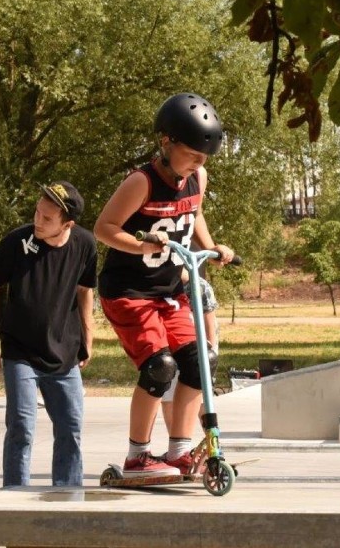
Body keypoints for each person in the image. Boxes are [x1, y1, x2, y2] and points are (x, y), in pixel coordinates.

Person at [94, 92, 234, 477]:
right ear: (167, 142)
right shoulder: (141, 182)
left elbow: (194, 213)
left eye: (204, 160)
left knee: (199, 361)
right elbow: (104, 229)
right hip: (129, 292)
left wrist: (211, 247)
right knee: (160, 367)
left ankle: (178, 451)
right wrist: (141, 244)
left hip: (170, 291)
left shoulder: (197, 178)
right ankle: (137, 456)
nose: (198, 165)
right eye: (192, 156)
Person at [0, 181, 97, 487]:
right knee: (21, 427)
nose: (38, 221)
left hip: (64, 353)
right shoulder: (16, 242)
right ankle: (14, 498)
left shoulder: (85, 244)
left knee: (70, 428)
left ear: (67, 223)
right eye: (37, 212)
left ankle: (68, 497)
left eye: (47, 218)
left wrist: (88, 335)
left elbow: (85, 291)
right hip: (20, 352)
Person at [161, 261, 219, 434]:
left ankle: (213, 445)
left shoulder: (198, 286)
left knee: (201, 398)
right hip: (171, 344)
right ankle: (177, 446)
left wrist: (210, 351)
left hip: (196, 345)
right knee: (168, 397)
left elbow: (209, 321)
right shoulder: (163, 285)